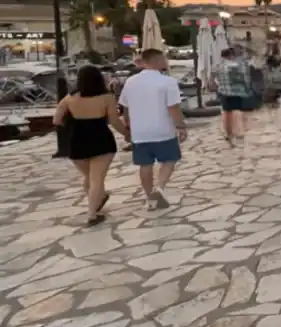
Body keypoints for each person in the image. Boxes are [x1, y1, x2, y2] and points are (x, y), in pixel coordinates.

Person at [53, 65, 130, 226]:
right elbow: (114, 121)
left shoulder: (70, 98)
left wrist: (71, 124)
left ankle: (97, 201)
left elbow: (56, 120)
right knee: (97, 178)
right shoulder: (107, 97)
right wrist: (127, 134)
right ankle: (92, 213)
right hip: (100, 138)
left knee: (88, 177)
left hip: (77, 140)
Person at [119, 49, 185, 211]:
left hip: (140, 131)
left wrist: (128, 125)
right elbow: (173, 107)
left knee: (145, 165)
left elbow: (125, 107)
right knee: (170, 160)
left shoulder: (131, 82)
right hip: (163, 129)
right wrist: (181, 126)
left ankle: (150, 198)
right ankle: (160, 187)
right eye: (164, 58)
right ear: (157, 60)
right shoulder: (167, 82)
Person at [213, 48, 251, 144]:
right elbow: (242, 78)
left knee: (226, 113)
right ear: (231, 55)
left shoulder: (217, 66)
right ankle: (238, 132)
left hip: (223, 92)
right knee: (237, 112)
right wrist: (247, 88)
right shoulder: (235, 66)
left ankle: (228, 134)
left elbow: (215, 80)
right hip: (236, 92)